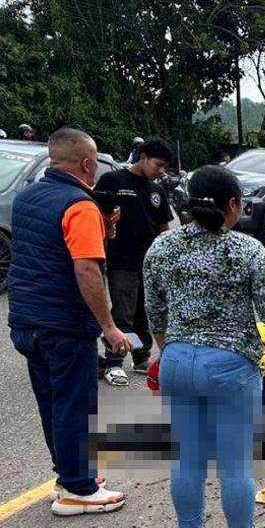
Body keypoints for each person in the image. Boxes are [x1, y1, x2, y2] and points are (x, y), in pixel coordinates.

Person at [143, 165, 265, 528]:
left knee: (187, 460)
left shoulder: (162, 247)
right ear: (234, 205)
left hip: (176, 360)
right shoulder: (246, 249)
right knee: (234, 464)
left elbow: (154, 312)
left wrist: (171, 351)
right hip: (229, 365)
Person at [7, 127, 131, 516]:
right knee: (75, 405)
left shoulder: (27, 197)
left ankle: (69, 474)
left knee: (53, 404)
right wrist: (109, 326)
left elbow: (45, 253)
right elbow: (86, 270)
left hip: (26, 320)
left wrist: (103, 231)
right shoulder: (79, 206)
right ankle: (78, 489)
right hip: (63, 323)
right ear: (87, 163)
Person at [91, 138, 174, 385]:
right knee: (123, 313)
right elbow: (94, 213)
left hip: (149, 263)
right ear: (143, 157)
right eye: (158, 165)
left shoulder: (157, 190)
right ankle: (114, 362)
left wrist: (166, 257)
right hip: (121, 259)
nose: (160, 172)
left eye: (164, 168)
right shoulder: (113, 181)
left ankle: (141, 357)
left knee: (144, 313)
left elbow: (164, 227)